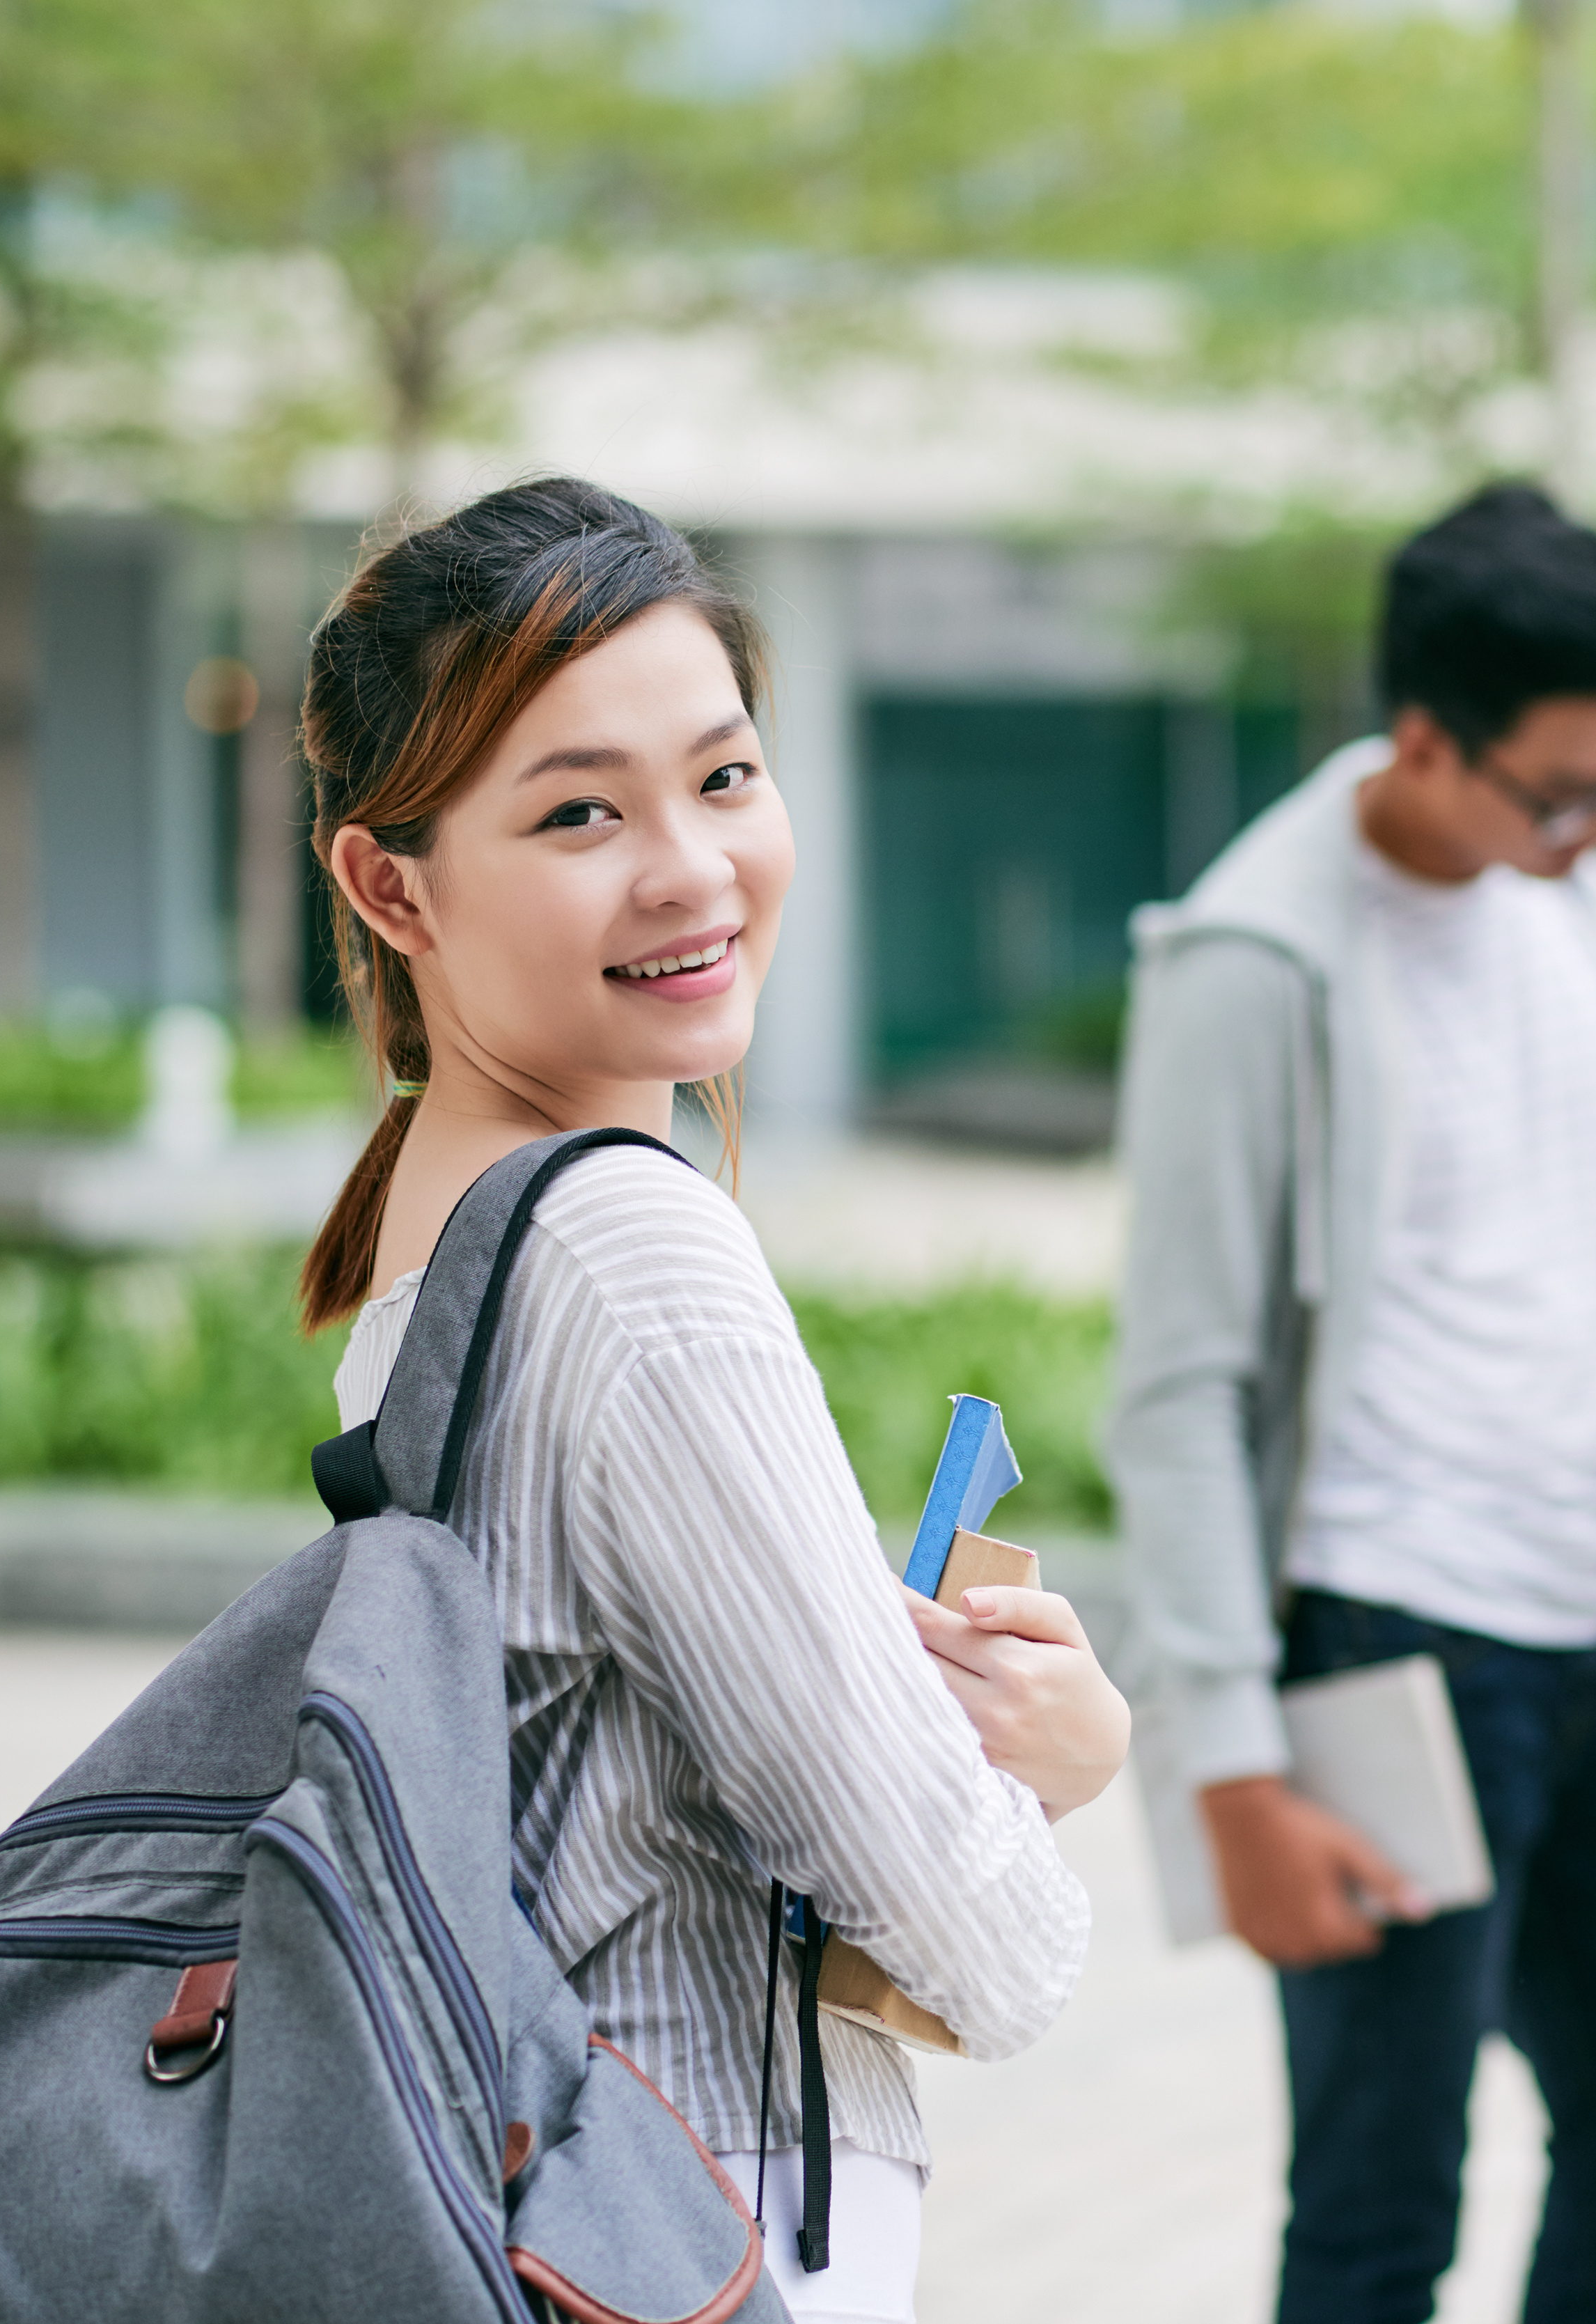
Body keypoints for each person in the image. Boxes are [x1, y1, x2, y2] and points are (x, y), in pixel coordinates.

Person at [299, 476, 1129, 2324]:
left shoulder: (442, 1244)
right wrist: (1056, 1766)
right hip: (693, 2227)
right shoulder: (630, 1257)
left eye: (726, 777)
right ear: (390, 881)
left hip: (545, 2205)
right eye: (581, 809)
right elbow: (987, 1948)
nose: (690, 866)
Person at [1106, 480, 1596, 2324]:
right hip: (1386, 1641)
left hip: (1588, 1643)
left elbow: (1549, 1283)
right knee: (1384, 2208)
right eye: (1562, 792)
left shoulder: (1582, 918)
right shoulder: (1258, 958)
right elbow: (1182, 1386)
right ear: (1426, 739)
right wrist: (1230, 1760)